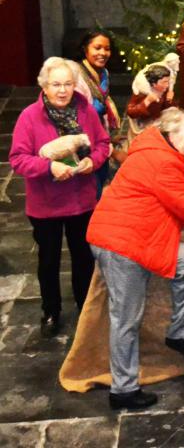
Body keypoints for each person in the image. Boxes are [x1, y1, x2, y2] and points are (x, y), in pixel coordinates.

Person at [87, 107, 184, 410]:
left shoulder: (158, 148)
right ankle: (123, 389)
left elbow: (169, 203)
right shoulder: (162, 161)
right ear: (172, 133)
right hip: (122, 244)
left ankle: (180, 334)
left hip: (142, 235)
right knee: (126, 320)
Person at [9, 57, 111, 337]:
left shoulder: (86, 111)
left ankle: (85, 308)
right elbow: (18, 159)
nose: (63, 90)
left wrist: (95, 162)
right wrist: (48, 166)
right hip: (46, 205)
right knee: (49, 260)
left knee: (83, 258)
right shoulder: (30, 116)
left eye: (68, 84)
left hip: (81, 200)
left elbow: (102, 144)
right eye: (56, 84)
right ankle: (51, 310)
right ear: (44, 86)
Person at [75, 30, 124, 197]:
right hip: (84, 143)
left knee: (101, 182)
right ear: (85, 49)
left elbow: (101, 112)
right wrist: (112, 151)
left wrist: (108, 139)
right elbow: (81, 120)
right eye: (97, 48)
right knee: (89, 190)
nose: (103, 53)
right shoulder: (77, 78)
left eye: (107, 48)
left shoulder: (104, 73)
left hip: (100, 139)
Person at [126, 63, 175, 144]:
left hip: (156, 122)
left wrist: (169, 99)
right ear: (154, 83)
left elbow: (166, 108)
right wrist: (147, 101)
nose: (167, 85)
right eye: (164, 82)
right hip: (142, 125)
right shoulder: (141, 94)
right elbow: (131, 112)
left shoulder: (163, 91)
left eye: (168, 82)